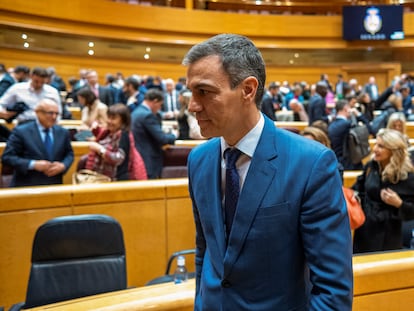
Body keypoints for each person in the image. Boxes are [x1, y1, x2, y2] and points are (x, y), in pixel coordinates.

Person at [183, 33, 353, 310]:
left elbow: (333, 289)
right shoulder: (199, 160)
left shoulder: (311, 163)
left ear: (248, 90)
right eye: (191, 92)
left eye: (204, 91)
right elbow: (206, 249)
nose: (192, 105)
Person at [352, 128, 414, 253]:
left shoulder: (407, 176)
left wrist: (399, 204)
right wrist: (354, 195)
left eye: (381, 146)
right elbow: (358, 187)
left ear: (393, 151)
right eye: (376, 144)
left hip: (388, 234)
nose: (375, 149)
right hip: (365, 229)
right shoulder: (371, 166)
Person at [1, 98, 74, 187]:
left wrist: (63, 165)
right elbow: (7, 157)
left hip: (54, 186)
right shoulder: (21, 132)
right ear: (38, 112)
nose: (54, 117)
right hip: (27, 187)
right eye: (50, 113)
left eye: (57, 114)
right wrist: (33, 164)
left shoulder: (62, 132)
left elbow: (69, 154)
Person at [84, 103, 147, 181]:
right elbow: (105, 142)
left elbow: (118, 158)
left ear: (123, 121)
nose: (109, 121)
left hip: (116, 179)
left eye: (113, 118)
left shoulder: (124, 135)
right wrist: (96, 130)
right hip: (103, 177)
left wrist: (99, 149)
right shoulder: (109, 132)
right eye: (109, 117)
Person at [131, 88, 177, 179]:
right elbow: (162, 139)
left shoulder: (135, 112)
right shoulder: (148, 115)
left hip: (138, 157)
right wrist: (174, 135)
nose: (160, 108)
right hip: (148, 160)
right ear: (155, 101)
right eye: (160, 105)